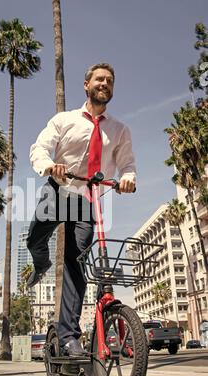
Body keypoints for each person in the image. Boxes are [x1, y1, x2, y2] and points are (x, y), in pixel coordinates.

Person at [27, 63, 136, 356]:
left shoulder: (119, 130)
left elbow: (127, 164)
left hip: (87, 199)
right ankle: (40, 264)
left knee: (77, 263)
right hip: (58, 190)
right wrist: (50, 165)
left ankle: (68, 337)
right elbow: (40, 147)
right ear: (86, 85)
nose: (105, 83)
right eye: (99, 79)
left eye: (110, 81)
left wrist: (128, 178)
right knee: (35, 238)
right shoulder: (64, 120)